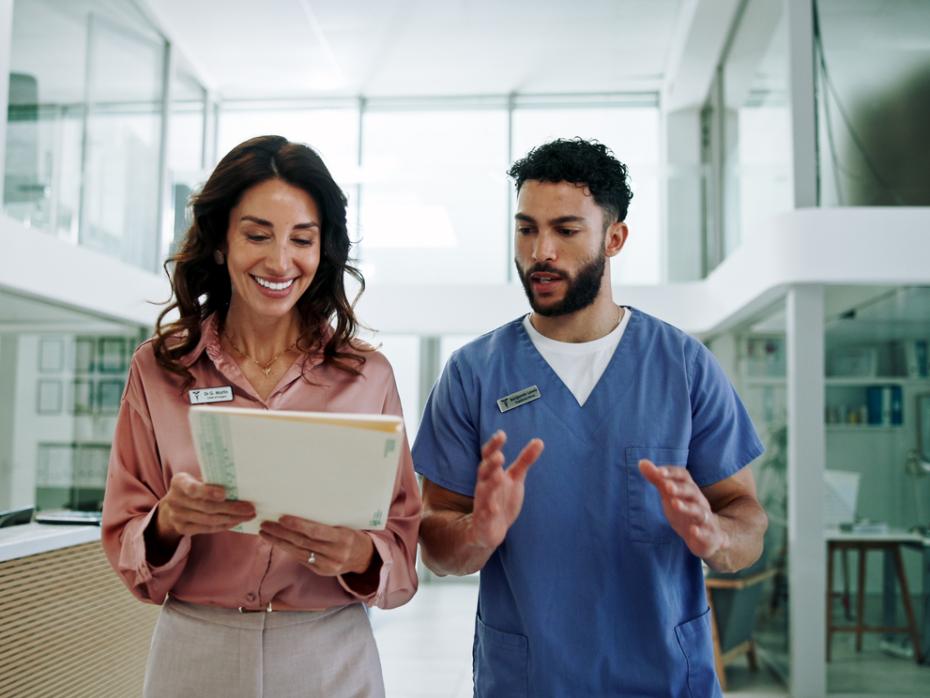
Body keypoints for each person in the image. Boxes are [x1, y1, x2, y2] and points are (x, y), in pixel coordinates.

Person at [413, 138, 768, 697]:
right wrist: (476, 533)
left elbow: (747, 521)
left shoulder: (682, 366)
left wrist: (714, 533)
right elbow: (435, 542)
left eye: (566, 230)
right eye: (526, 228)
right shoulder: (473, 374)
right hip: (529, 679)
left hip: (665, 677)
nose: (540, 251)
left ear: (615, 237)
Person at [102, 135, 420, 697]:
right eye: (257, 235)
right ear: (221, 242)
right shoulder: (158, 370)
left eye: (302, 239)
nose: (280, 262)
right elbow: (126, 540)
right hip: (195, 649)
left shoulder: (369, 377)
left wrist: (362, 556)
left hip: (329, 651)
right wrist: (168, 522)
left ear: (324, 251)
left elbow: (401, 547)